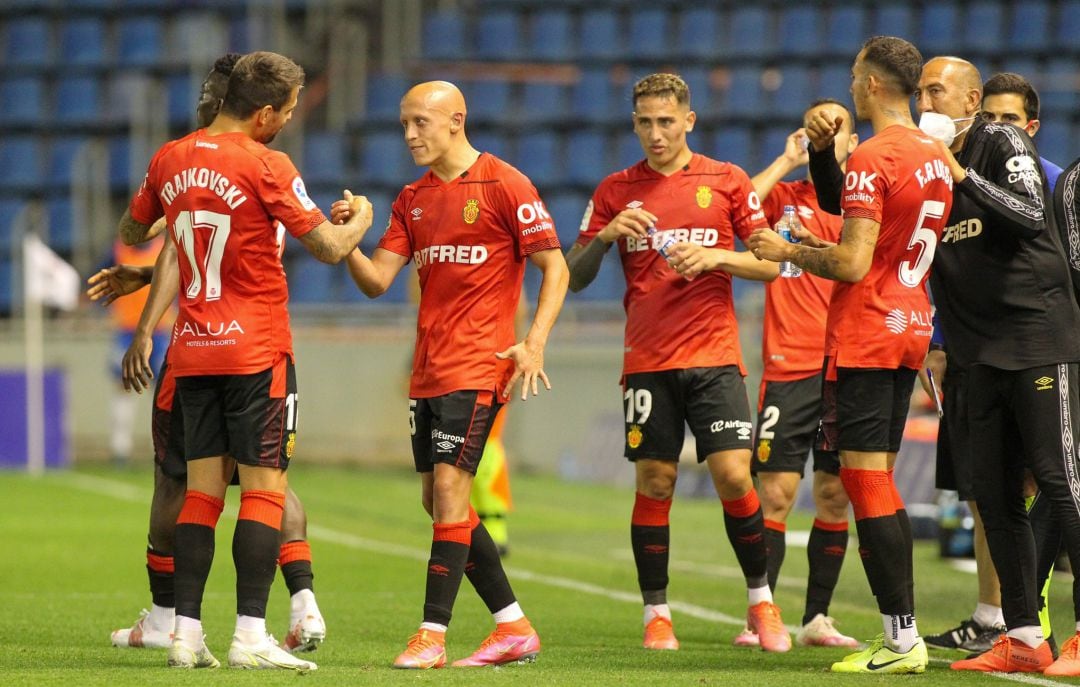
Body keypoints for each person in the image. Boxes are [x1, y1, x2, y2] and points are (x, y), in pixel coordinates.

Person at [120, 50, 373, 671]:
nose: (287, 121)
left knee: (200, 496)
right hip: (256, 349)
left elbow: (132, 230)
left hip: (194, 350)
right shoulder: (267, 163)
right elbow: (332, 249)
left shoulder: (169, 157)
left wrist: (174, 226)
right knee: (264, 491)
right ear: (263, 113)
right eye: (285, 111)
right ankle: (251, 636)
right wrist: (363, 217)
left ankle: (184, 635)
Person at [334, 80, 569, 669]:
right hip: (430, 370)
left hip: (479, 364)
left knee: (448, 492)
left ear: (456, 120)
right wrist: (347, 241)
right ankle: (513, 627)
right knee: (438, 503)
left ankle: (431, 637)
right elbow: (376, 282)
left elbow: (555, 265)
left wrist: (533, 342)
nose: (410, 134)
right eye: (405, 124)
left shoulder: (504, 183)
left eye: (421, 123)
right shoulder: (411, 198)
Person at [748, 36, 954, 674]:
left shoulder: (873, 153)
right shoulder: (933, 153)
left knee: (865, 483)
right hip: (911, 321)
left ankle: (901, 639)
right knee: (878, 482)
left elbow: (850, 259)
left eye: (853, 76)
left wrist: (788, 251)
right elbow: (851, 211)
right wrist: (817, 151)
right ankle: (901, 633)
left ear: (868, 86)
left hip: (866, 329)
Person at [567, 72, 788, 654]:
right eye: (645, 122)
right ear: (634, 123)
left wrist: (717, 257)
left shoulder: (727, 180)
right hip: (647, 360)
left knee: (736, 476)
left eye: (667, 122)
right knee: (656, 480)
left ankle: (762, 602)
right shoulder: (616, 190)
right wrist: (606, 233)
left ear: (689, 120)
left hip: (714, 354)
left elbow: (771, 267)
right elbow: (573, 273)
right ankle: (656, 613)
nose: (656, 134)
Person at [903, 56, 1080, 675]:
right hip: (976, 353)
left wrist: (956, 171)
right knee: (995, 498)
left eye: (936, 90)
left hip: (1035, 338)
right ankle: (1025, 636)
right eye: (919, 90)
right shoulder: (922, 166)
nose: (924, 100)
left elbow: (1029, 214)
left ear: (971, 101)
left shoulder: (999, 138)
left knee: (1062, 483)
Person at [742, 98, 859, 649]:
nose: (824, 137)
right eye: (815, 128)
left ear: (852, 144)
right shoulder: (783, 199)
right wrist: (786, 162)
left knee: (835, 494)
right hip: (788, 366)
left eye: (835, 130)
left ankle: (817, 619)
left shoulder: (860, 207)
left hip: (842, 366)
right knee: (776, 495)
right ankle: (758, 613)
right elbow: (736, 211)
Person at [104, 235, 173, 466]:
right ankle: (120, 449)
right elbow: (99, 280)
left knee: (163, 389)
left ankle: (167, 446)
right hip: (126, 331)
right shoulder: (117, 251)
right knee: (124, 387)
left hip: (160, 331)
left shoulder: (167, 248)